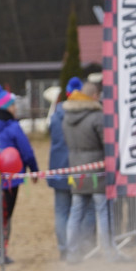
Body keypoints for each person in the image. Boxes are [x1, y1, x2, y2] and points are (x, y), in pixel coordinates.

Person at [61, 80, 128, 263]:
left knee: (76, 212)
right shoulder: (97, 117)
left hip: (77, 170)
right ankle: (109, 253)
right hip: (97, 171)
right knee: (104, 211)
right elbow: (107, 144)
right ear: (94, 96)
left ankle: (72, 253)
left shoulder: (66, 117)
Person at [0, 84, 39, 263]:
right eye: (13, 105)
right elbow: (26, 151)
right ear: (6, 107)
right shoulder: (13, 127)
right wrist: (34, 169)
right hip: (10, 180)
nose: (15, 108)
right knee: (5, 215)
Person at [47, 78, 92, 260]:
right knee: (85, 208)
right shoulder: (85, 114)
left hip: (59, 167)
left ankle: (65, 248)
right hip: (80, 166)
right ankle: (83, 246)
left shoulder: (56, 115)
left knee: (62, 210)